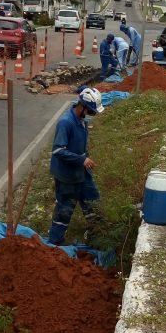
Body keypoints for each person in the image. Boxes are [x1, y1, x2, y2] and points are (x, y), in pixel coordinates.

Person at [48, 88, 105, 245]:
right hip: (67, 176)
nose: (92, 115)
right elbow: (58, 150)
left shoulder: (82, 121)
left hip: (82, 174)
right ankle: (54, 244)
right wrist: (81, 160)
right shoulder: (66, 123)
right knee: (64, 212)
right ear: (82, 107)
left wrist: (84, 158)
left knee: (93, 204)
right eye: (91, 111)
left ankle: (97, 238)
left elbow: (81, 147)